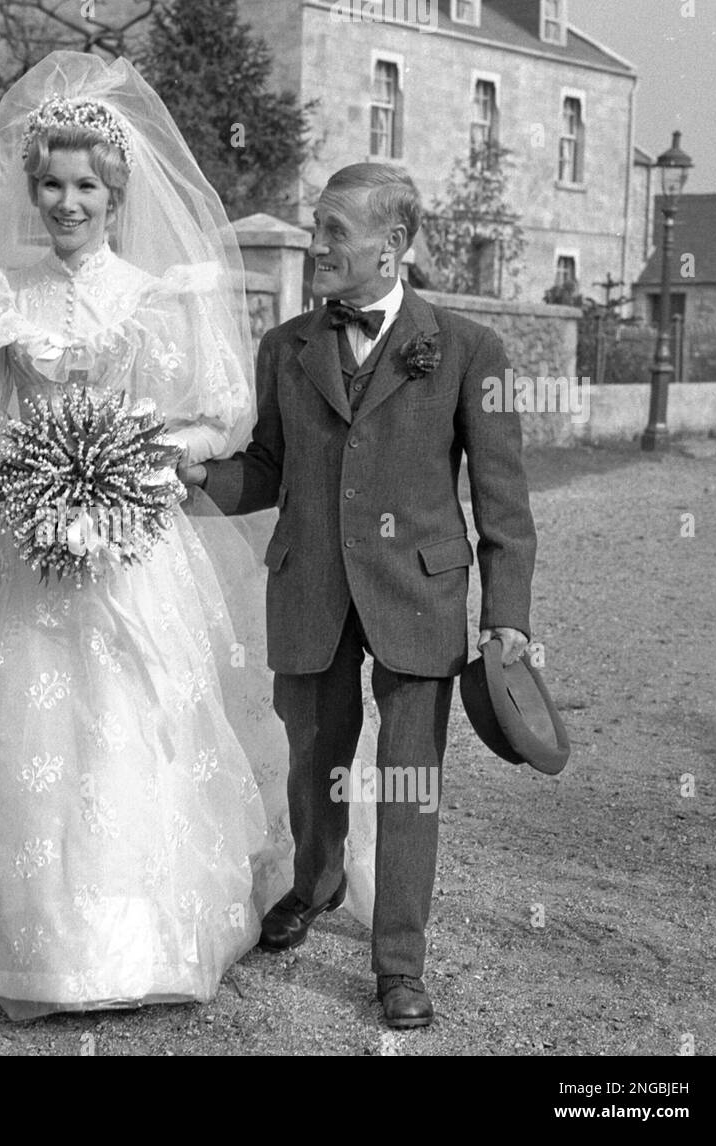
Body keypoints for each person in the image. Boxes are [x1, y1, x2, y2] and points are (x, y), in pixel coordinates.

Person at [0, 52, 377, 1021]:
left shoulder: (158, 296)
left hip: (130, 536)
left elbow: (214, 421)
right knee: (27, 715)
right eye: (51, 183)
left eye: (85, 184)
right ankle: (34, 933)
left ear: (115, 190)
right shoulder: (1, 294)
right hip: (21, 543)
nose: (67, 201)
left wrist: (138, 464)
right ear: (31, 187)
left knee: (129, 715)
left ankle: (134, 928)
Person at [182, 163, 538, 1029]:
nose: (318, 244)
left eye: (336, 229)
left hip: (419, 598)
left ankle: (400, 963)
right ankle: (315, 881)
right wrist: (197, 480)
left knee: (411, 780)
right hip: (309, 587)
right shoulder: (287, 348)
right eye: (316, 225)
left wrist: (507, 621)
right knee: (314, 763)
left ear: (395, 244)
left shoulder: (468, 351)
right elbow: (268, 469)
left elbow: (505, 505)